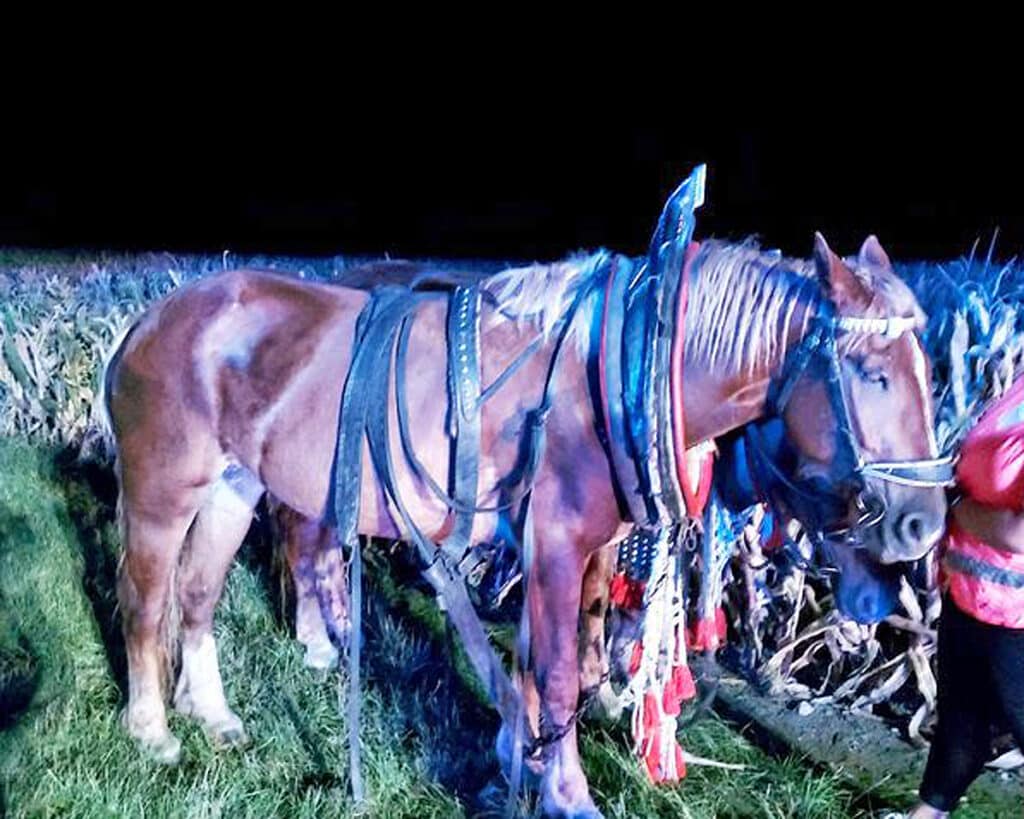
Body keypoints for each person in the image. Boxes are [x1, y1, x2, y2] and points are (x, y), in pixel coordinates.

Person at [908, 374, 1024, 817]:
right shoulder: (1008, 382)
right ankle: (928, 811)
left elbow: (1020, 534)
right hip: (968, 597)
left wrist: (954, 508)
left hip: (1017, 619)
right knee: (961, 720)